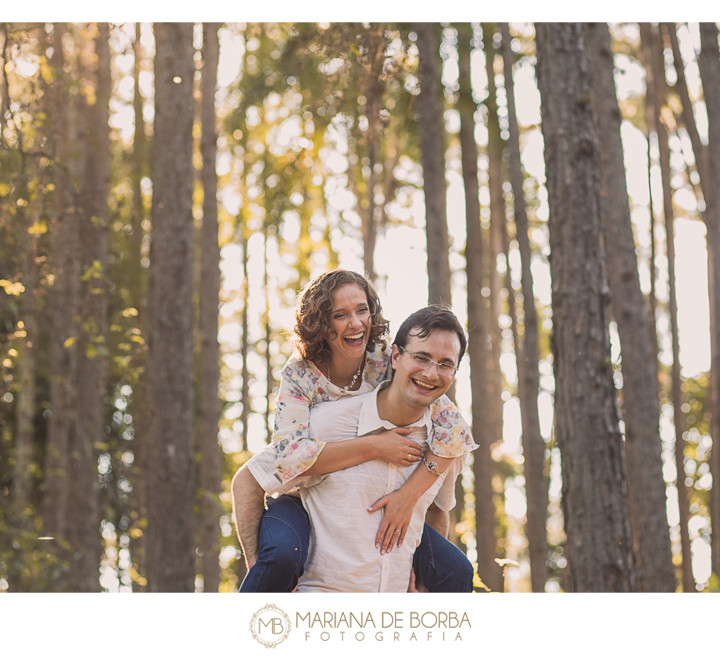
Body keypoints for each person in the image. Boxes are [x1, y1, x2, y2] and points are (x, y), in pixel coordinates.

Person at [232, 269, 477, 591]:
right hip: (301, 493)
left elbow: (454, 430)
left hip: (367, 492)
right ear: (321, 323)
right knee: (280, 555)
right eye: (340, 315)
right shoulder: (300, 374)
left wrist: (409, 495)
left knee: (455, 569)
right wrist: (375, 446)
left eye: (363, 310)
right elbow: (286, 458)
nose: (357, 323)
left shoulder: (385, 357)